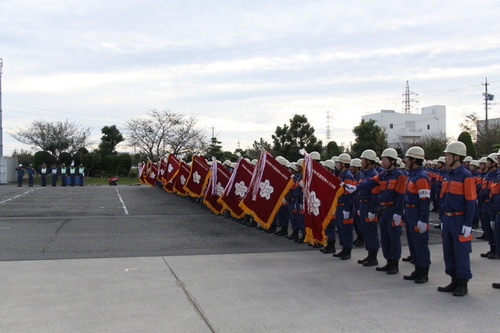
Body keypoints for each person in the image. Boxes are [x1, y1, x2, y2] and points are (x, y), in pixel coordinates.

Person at [346, 148, 406, 274]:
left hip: (392, 209)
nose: (382, 161)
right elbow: (370, 182)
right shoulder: (383, 175)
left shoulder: (399, 175)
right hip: (383, 209)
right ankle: (388, 261)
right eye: (382, 159)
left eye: (385, 159)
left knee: (393, 237)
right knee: (385, 237)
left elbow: (400, 195)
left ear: (392, 161)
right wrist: (355, 187)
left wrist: (398, 212)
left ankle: (394, 263)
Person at [437, 141, 476, 297]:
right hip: (447, 219)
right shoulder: (448, 176)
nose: (445, 157)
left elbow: (471, 201)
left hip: (459, 220)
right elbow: (442, 199)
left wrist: (468, 223)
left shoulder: (466, 176)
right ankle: (453, 280)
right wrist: (442, 219)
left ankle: (462, 283)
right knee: (449, 252)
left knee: (461, 253)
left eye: (448, 155)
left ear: (457, 157)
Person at [402, 146, 431, 284]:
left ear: (414, 160)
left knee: (420, 243)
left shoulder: (421, 177)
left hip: (417, 212)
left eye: (407, 158)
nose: (405, 160)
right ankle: (417, 268)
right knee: (413, 243)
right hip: (409, 211)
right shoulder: (411, 175)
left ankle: (424, 271)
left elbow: (424, 200)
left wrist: (423, 219)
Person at [331, 153, 355, 260]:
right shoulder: (340, 174)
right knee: (340, 229)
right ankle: (343, 248)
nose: (336, 165)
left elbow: (348, 194)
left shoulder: (348, 176)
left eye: (338, 163)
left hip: (345, 206)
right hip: (339, 205)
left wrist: (346, 208)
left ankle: (348, 250)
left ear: (343, 164)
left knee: (346, 229)